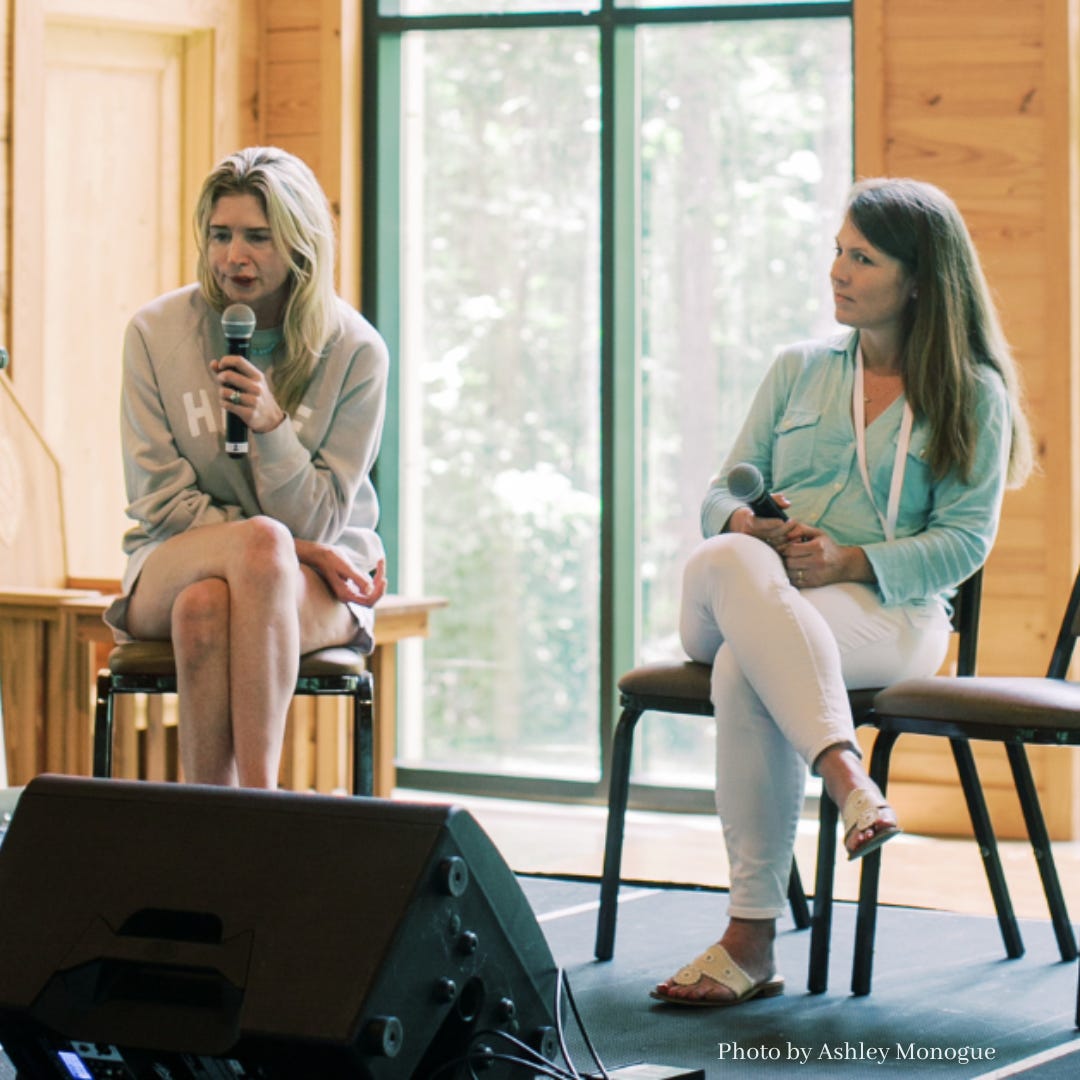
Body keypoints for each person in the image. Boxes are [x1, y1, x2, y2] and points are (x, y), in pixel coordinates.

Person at [651, 177, 1033, 1007]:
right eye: (837, 251)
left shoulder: (973, 393)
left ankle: (749, 938)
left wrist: (852, 560)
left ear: (919, 279)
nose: (838, 271)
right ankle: (845, 771)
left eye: (862, 257)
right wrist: (749, 528)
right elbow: (721, 496)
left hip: (886, 613)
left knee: (743, 670)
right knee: (726, 561)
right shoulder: (796, 370)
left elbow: (965, 542)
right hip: (751, 596)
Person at [104, 146, 389, 789]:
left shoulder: (356, 351)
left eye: (259, 237)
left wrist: (272, 429)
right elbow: (160, 501)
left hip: (321, 585)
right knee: (257, 548)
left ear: (299, 243)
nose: (236, 257)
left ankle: (222, 833)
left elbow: (317, 512)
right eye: (221, 235)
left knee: (208, 606)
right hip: (174, 554)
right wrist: (299, 549)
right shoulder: (154, 333)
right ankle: (263, 815)